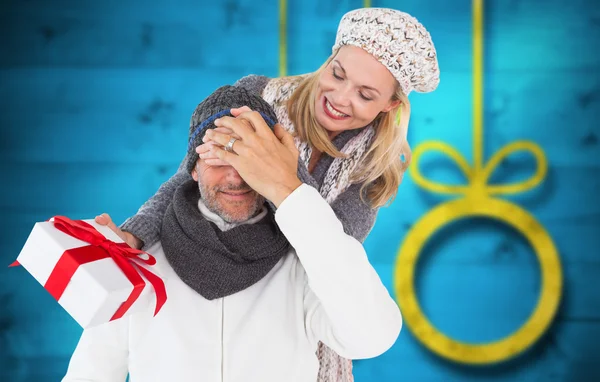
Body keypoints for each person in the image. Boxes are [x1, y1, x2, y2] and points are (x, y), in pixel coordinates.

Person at [102, 7, 440, 382]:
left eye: (365, 94)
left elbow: (325, 261)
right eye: (337, 73)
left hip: (285, 325)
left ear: (391, 104)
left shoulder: (371, 174)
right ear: (330, 56)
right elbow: (187, 178)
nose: (340, 98)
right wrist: (134, 234)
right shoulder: (256, 94)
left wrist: (282, 172)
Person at [62, 85, 402, 382]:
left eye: (247, 160)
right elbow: (89, 374)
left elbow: (370, 336)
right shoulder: (138, 264)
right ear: (193, 168)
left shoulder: (304, 263)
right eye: (218, 157)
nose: (235, 178)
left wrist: (290, 191)